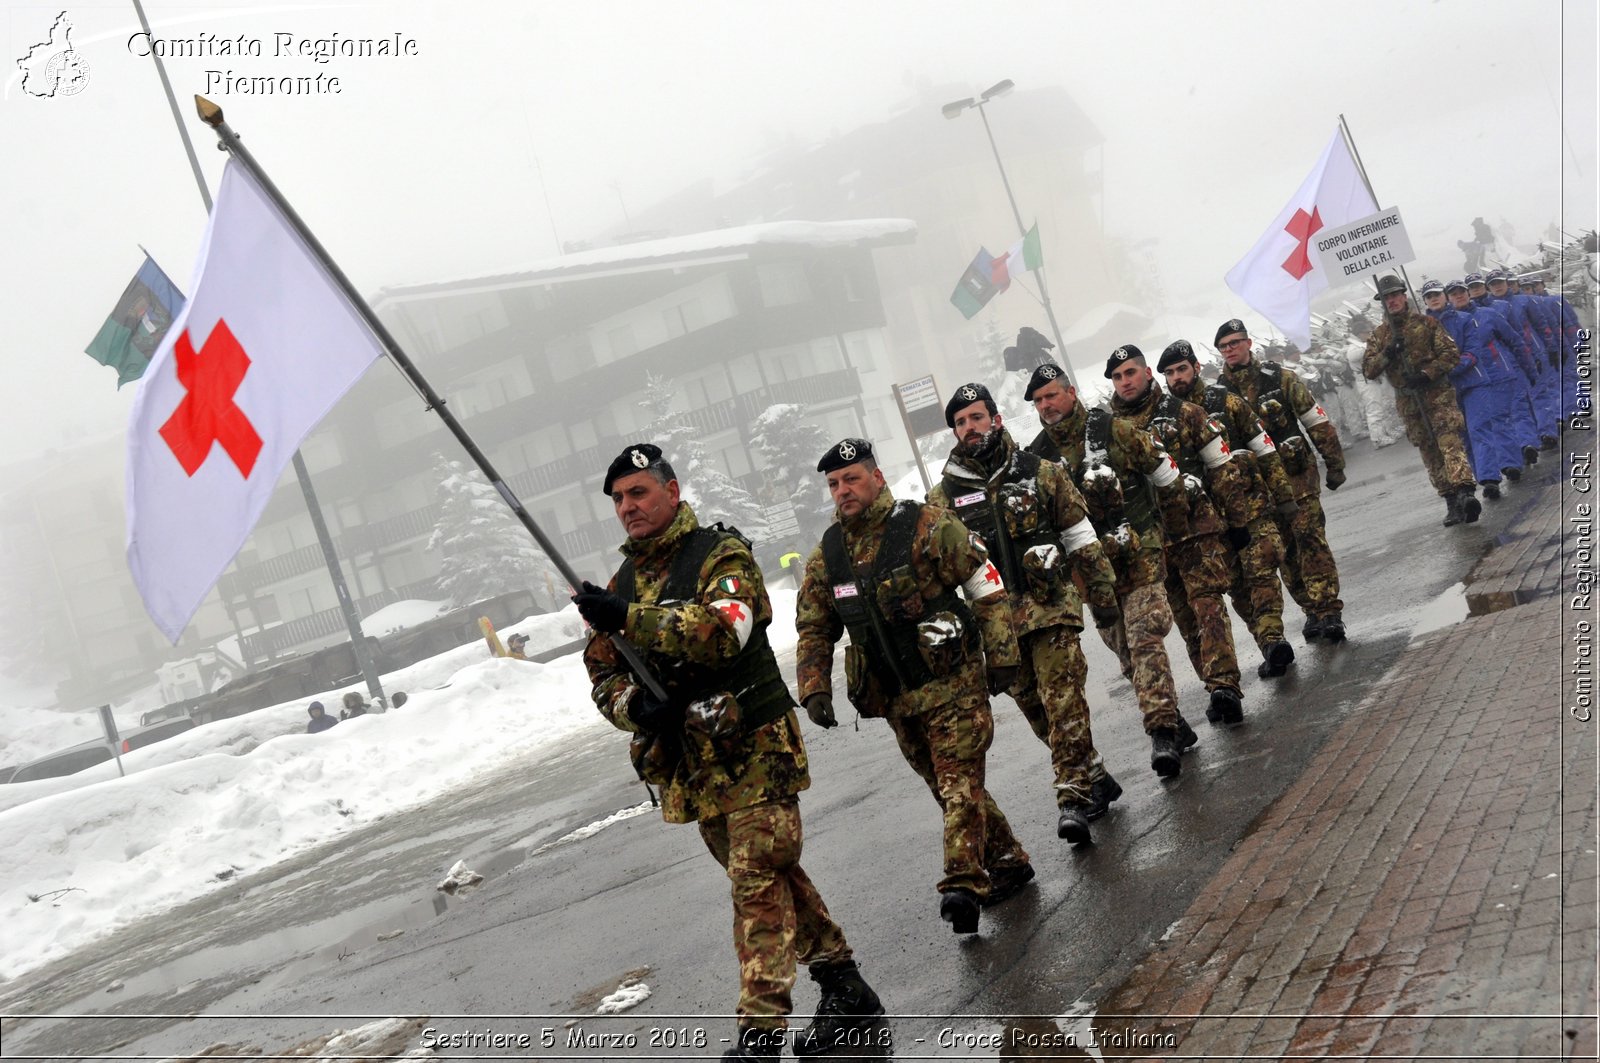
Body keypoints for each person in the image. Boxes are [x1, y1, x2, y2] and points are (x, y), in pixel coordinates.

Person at [573, 443, 880, 1061]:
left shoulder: (720, 554)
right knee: (771, 878)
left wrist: (629, 617)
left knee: (754, 883)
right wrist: (636, 707)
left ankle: (761, 1035)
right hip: (694, 766)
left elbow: (724, 632)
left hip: (756, 752)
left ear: (672, 491)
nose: (627, 507)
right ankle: (845, 985)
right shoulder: (621, 585)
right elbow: (601, 678)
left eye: (638, 492)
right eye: (618, 499)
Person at [795, 437, 1032, 936]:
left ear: (876, 478)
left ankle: (963, 884)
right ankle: (1007, 858)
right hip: (897, 699)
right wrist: (814, 686)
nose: (843, 491)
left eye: (852, 478)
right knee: (950, 790)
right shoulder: (828, 555)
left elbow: (985, 584)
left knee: (957, 782)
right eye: (834, 484)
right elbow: (814, 625)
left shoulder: (925, 525)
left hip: (955, 684)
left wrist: (1003, 653)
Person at [929, 383, 1120, 843]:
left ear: (995, 419)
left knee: (1063, 699)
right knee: (1040, 712)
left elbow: (1078, 536)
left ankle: (1072, 797)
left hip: (1050, 608)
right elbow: (939, 574)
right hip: (996, 630)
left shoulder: (1041, 472)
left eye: (976, 418)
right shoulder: (942, 500)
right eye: (960, 423)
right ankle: (1094, 774)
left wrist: (1102, 591)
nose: (969, 429)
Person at [1025, 360, 1201, 782]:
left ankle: (1160, 733)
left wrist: (1171, 529)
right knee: (1127, 656)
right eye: (1038, 400)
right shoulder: (1037, 458)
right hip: (1092, 577)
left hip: (1138, 557)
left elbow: (1164, 471)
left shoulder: (1111, 430)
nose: (1046, 405)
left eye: (1052, 395)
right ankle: (1175, 721)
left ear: (1071, 393)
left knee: (1144, 642)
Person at [1106, 345, 1255, 726]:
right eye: (1117, 377)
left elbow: (1221, 467)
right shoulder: (1108, 434)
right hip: (1151, 545)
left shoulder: (1186, 413)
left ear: (1146, 375)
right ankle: (1212, 683)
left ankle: (1225, 685)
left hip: (1196, 529)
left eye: (1130, 373)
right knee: (1187, 621)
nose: (1124, 382)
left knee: (1208, 607)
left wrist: (1237, 520)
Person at [1158, 341, 1298, 679]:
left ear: (1195, 367)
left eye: (1182, 369)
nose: (1177, 378)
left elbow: (1264, 450)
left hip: (1249, 507)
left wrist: (1284, 497)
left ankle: (1272, 637)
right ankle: (1266, 642)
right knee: (1235, 586)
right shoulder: (1167, 417)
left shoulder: (1226, 401)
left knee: (1261, 574)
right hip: (1207, 523)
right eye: (1170, 373)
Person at [1215, 318, 1350, 642]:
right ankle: (1310, 610)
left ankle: (1329, 609)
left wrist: (1334, 463)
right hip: (1259, 489)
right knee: (1285, 551)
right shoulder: (1219, 394)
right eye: (1224, 346)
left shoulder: (1281, 379)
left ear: (1248, 343)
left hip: (1297, 477)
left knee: (1310, 540)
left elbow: (1314, 421)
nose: (1230, 350)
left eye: (1235, 343)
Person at [1359, 276, 1480, 527]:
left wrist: (1427, 373)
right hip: (1409, 402)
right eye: (1386, 298)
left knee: (1449, 442)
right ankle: (1450, 500)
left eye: (1395, 295)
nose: (1391, 301)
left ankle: (1465, 492)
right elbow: (1369, 370)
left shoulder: (1428, 324)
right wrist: (1388, 353)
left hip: (1436, 394)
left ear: (1404, 296)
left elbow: (1451, 354)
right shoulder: (1379, 336)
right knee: (1430, 452)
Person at [1435, 279, 1535, 500]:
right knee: (1468, 433)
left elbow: (1514, 340)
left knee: (1497, 420)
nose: (1459, 296)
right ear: (1448, 297)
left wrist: (1530, 369)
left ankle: (1509, 465)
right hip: (1456, 385)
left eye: (1462, 292)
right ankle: (1486, 475)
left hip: (1494, 376)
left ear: (1469, 294)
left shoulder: (1487, 314)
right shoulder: (1434, 325)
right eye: (1454, 293)